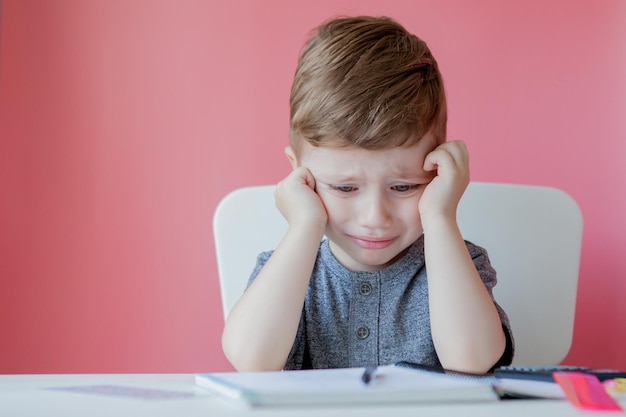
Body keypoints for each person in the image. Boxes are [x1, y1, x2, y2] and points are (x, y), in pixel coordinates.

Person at [222, 15, 514, 373]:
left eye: (404, 186)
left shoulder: (459, 262)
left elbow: (472, 361)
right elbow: (251, 359)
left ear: (437, 174)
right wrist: (303, 227)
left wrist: (440, 217)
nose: (375, 217)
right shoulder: (286, 269)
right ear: (300, 175)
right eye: (345, 188)